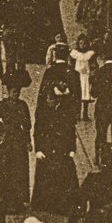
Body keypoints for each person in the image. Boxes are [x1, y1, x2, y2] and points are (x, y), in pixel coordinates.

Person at [32, 83, 80, 214]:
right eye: (47, 99)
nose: (48, 102)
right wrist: (38, 149)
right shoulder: (42, 112)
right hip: (46, 148)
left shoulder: (65, 112)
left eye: (50, 99)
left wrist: (71, 149)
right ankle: (44, 204)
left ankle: (61, 205)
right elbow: (37, 131)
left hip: (61, 148)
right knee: (46, 177)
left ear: (56, 100)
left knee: (62, 177)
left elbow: (71, 131)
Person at [0, 81, 32, 210]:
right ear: (8, 92)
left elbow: (27, 125)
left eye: (17, 93)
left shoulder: (22, 105)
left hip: (19, 141)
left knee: (19, 171)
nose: (16, 95)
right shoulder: (1, 106)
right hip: (6, 141)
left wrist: (28, 141)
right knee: (5, 169)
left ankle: (18, 201)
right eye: (13, 92)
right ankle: (5, 199)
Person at [70, 34, 95, 121]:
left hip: (86, 76)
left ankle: (85, 114)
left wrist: (92, 71)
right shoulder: (75, 54)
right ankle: (77, 114)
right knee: (77, 95)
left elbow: (94, 65)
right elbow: (71, 65)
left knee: (86, 95)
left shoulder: (90, 54)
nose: (82, 45)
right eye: (80, 43)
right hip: (77, 76)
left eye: (84, 43)